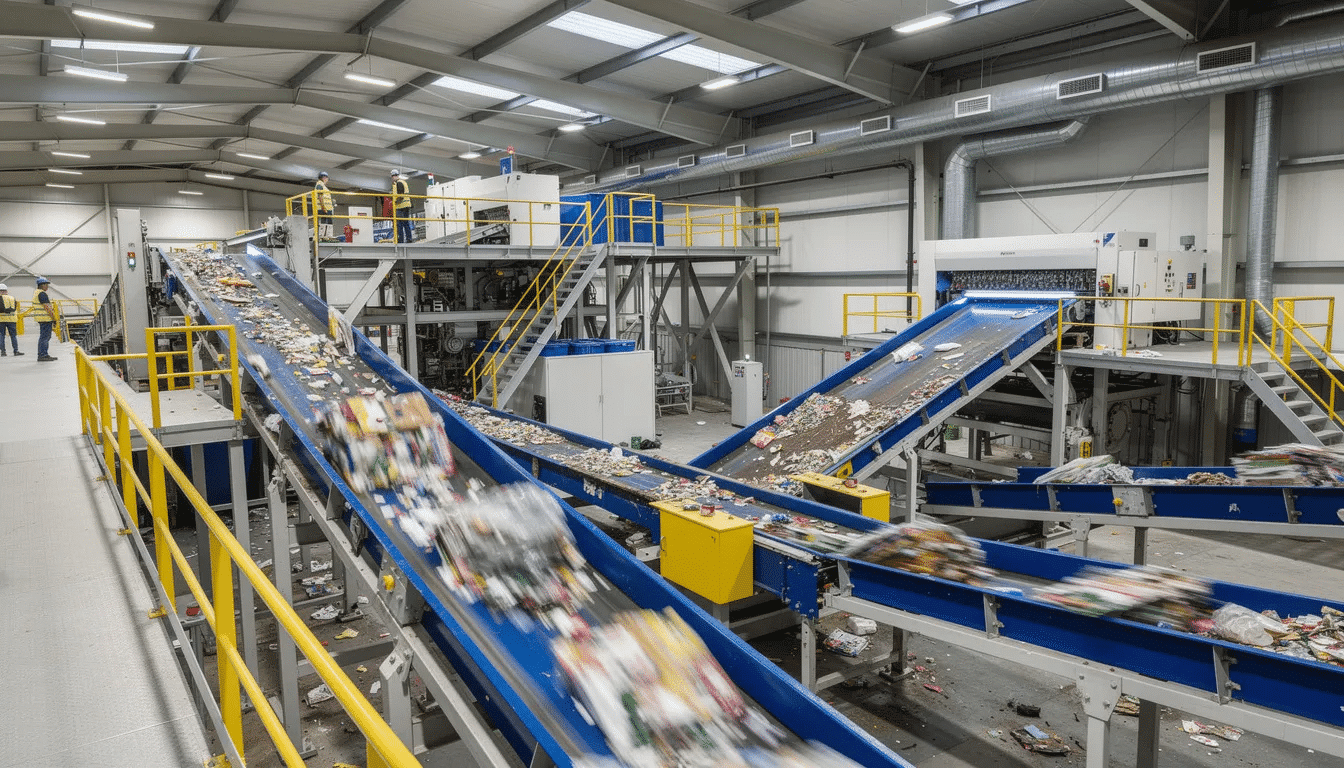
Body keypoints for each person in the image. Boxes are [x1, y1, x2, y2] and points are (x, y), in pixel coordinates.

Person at [32, 277, 57, 361]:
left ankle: (43, 354)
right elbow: (48, 308)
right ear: (42, 285)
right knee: (45, 337)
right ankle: (43, 355)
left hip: (41, 318)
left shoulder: (36, 293)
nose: (47, 287)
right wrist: (54, 318)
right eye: (46, 285)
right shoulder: (42, 294)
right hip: (45, 318)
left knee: (44, 337)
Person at [390, 169, 414, 244]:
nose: (393, 178)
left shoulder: (399, 183)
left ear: (394, 176)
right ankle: (409, 239)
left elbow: (401, 195)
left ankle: (401, 240)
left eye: (393, 176)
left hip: (401, 206)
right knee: (405, 223)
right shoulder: (403, 182)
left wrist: (395, 202)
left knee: (400, 224)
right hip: (405, 206)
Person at [0, 284, 21, 356]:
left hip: (1, 320)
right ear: (6, 291)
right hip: (12, 319)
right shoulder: (12, 298)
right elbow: (14, 308)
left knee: (1, 335)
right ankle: (16, 351)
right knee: (13, 336)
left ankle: (3, 352)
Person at [315, 171, 336, 241]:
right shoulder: (320, 185)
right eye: (327, 178)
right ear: (324, 178)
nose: (327, 180)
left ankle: (325, 236)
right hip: (324, 208)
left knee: (326, 222)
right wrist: (323, 207)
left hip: (326, 208)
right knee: (326, 222)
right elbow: (320, 197)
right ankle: (325, 236)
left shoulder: (322, 185)